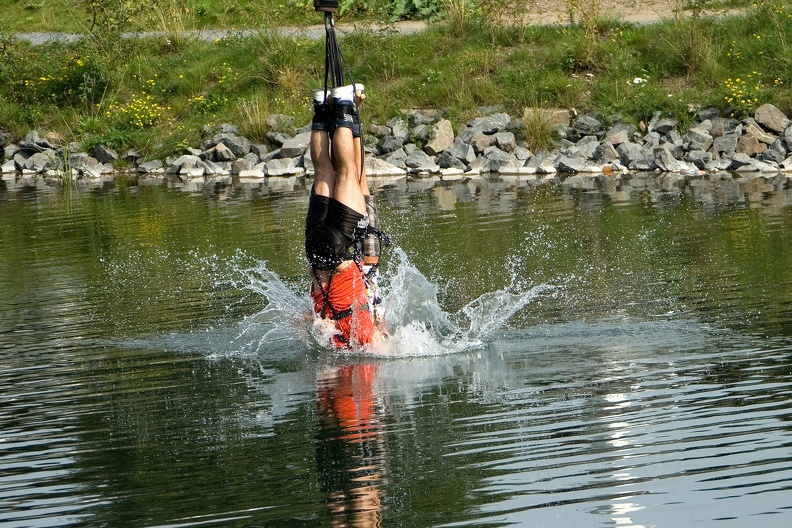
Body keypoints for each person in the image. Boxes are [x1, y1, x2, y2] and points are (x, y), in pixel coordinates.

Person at [305, 83, 385, 348]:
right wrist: (317, 326)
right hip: (314, 249)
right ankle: (320, 110)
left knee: (350, 172)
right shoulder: (328, 330)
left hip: (340, 247)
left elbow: (382, 343)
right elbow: (305, 320)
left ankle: (343, 105)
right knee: (323, 173)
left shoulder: (363, 337)